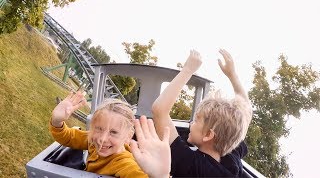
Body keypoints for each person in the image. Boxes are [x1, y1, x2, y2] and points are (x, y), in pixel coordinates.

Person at [152, 49, 252, 177]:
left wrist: (188, 70)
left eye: (197, 120)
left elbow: (159, 110)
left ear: (209, 134)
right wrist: (232, 75)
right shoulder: (232, 157)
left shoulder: (193, 166)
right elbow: (247, 113)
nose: (191, 124)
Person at [50, 91, 148, 177]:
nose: (102, 139)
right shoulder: (93, 140)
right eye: (99, 129)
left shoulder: (125, 163)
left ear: (128, 136)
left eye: (113, 132)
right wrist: (57, 121)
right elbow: (68, 137)